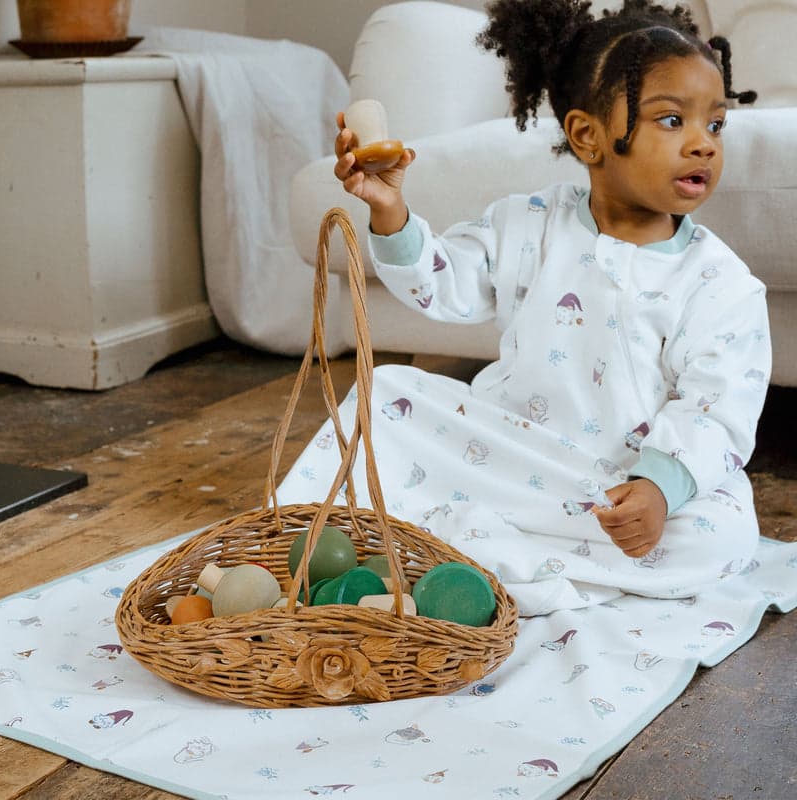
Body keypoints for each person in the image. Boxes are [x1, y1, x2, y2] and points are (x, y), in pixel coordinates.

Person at [279, 0, 772, 615]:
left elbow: (716, 409)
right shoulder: (527, 224)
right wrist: (389, 211)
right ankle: (443, 551)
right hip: (514, 459)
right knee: (386, 396)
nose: (703, 145)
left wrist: (658, 489)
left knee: (722, 533)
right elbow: (443, 283)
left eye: (716, 125)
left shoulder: (721, 283)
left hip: (624, 487)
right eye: (672, 121)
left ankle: (483, 560)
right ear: (588, 135)